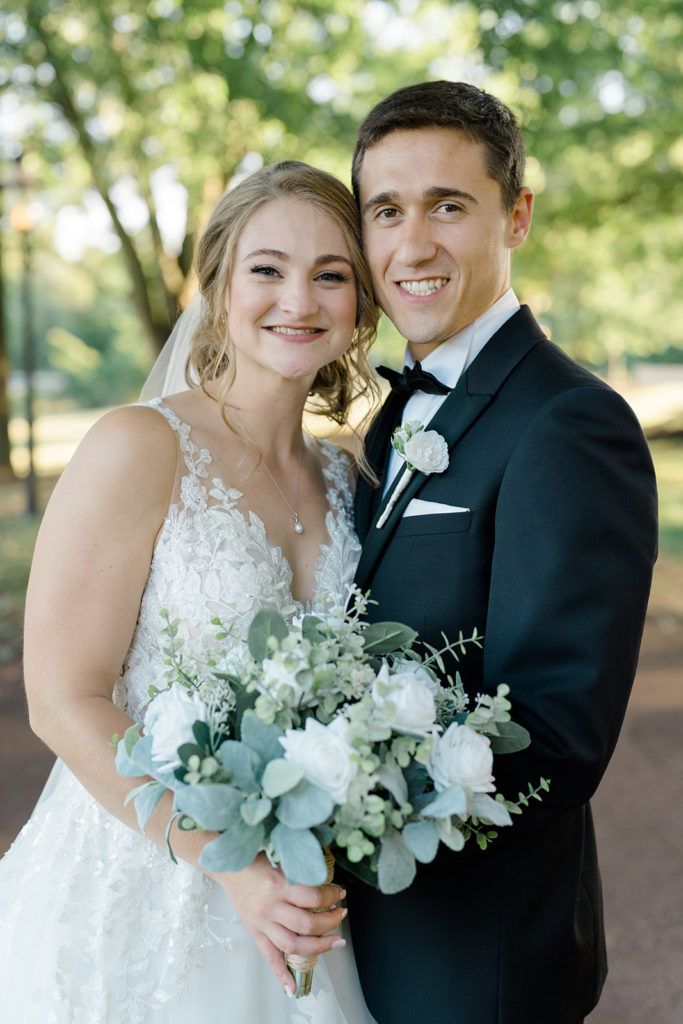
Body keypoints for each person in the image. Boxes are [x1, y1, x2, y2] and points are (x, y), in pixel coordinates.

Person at [0, 160, 380, 1023]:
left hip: (302, 893)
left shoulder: (350, 473)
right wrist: (228, 863)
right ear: (215, 286)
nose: (300, 299)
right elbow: (61, 699)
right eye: (267, 269)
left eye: (332, 275)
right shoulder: (139, 444)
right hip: (144, 877)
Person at [345, 81, 658, 1024]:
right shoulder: (394, 411)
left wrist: (335, 810)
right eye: (386, 211)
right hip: (364, 936)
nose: (414, 244)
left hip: (472, 957)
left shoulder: (569, 422)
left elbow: (555, 733)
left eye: (449, 205)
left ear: (514, 215)